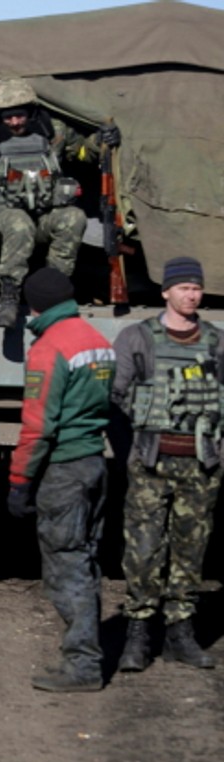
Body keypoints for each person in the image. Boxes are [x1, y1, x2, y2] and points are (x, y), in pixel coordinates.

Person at [7, 267, 116, 692]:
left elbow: (38, 426)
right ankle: (87, 652)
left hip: (64, 471)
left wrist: (20, 482)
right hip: (94, 464)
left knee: (65, 566)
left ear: (34, 305)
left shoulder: (49, 347)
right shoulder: (97, 341)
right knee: (86, 560)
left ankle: (83, 665)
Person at [0, 77, 122, 328]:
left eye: (20, 115)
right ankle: (10, 298)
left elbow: (81, 152)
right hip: (5, 215)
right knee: (19, 223)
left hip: (47, 212)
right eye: (8, 117)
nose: (14, 122)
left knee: (73, 218)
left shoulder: (52, 130)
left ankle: (53, 292)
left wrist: (100, 141)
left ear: (31, 111)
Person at [111, 256, 221, 673]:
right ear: (166, 292)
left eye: (196, 288)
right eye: (183, 288)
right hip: (152, 462)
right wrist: (145, 428)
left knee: (190, 553)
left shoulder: (215, 340)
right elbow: (118, 392)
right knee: (142, 552)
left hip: (201, 466)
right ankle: (138, 634)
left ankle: (180, 633)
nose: (191, 295)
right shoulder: (138, 338)